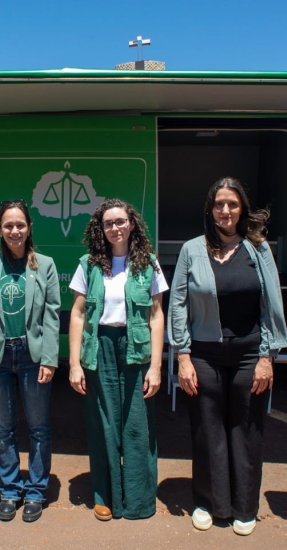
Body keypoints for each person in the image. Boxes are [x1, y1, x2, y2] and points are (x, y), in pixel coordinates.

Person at [168, 177, 287, 536]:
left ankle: (243, 507)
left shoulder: (258, 249)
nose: (225, 211)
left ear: (242, 209)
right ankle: (208, 502)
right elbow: (177, 303)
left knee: (247, 429)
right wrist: (183, 356)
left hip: (251, 353)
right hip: (203, 354)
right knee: (207, 430)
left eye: (232, 204)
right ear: (210, 209)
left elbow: (271, 303)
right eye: (219, 204)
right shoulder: (193, 249)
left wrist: (268, 356)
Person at [68, 198, 168, 521]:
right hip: (100, 350)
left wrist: (156, 366)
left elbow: (156, 315)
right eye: (108, 223)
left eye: (120, 221)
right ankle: (105, 496)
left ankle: (138, 501)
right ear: (101, 228)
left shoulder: (148, 263)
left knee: (137, 426)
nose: (115, 228)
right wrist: (73, 364)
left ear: (132, 224)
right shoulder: (89, 264)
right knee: (103, 426)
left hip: (137, 351)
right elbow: (78, 314)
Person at [0, 200, 61, 523]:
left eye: (20, 225)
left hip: (32, 356)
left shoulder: (46, 265)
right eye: (8, 225)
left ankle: (36, 490)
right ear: (0, 229)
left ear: (29, 228)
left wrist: (50, 359)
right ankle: (10, 488)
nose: (14, 231)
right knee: (3, 428)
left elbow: (52, 316)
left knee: (39, 427)